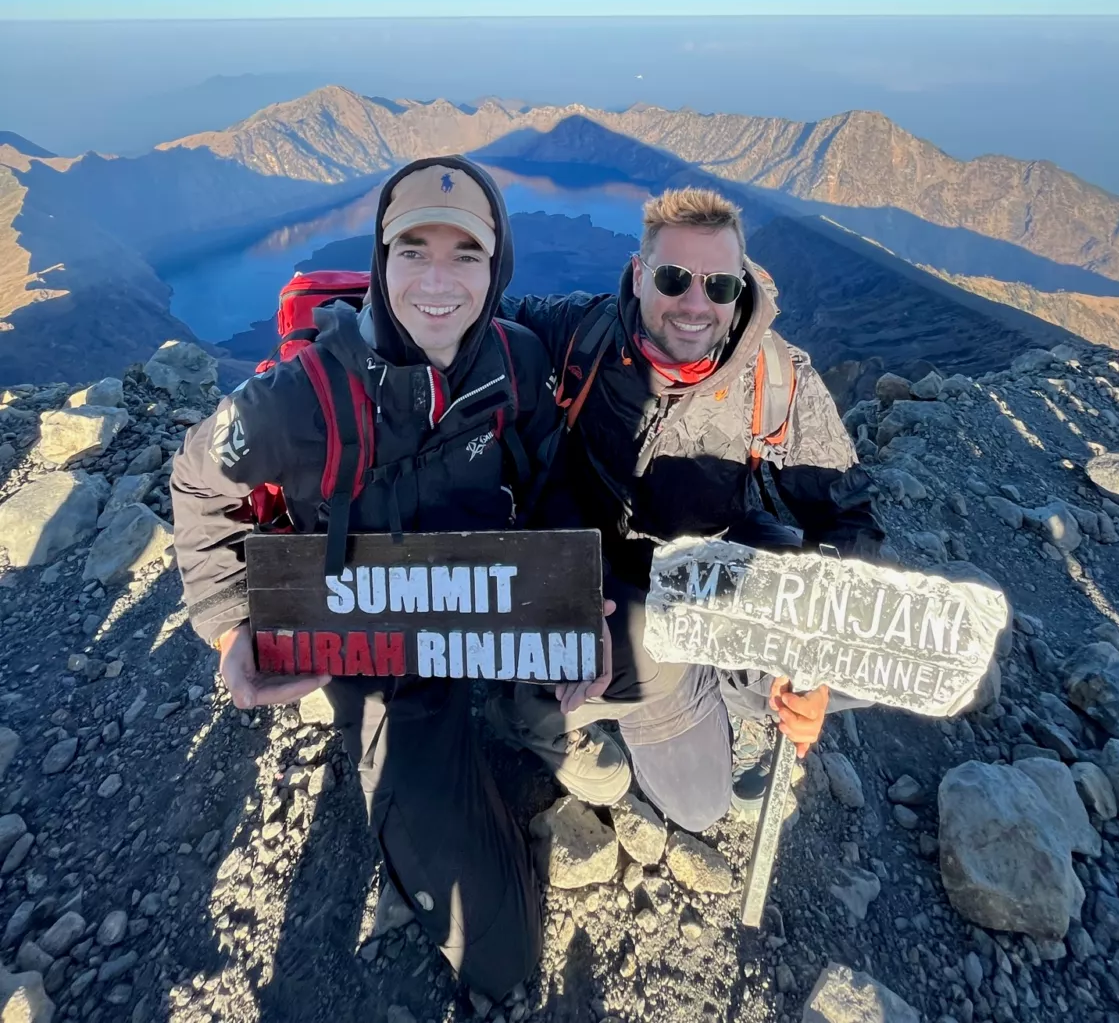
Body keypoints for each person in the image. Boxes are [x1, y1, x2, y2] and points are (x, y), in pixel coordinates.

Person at [169, 156, 623, 1001]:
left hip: (494, 606)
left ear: (499, 267)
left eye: (467, 253)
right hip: (380, 656)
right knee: (505, 959)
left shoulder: (516, 364)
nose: (439, 280)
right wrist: (234, 624)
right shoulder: (299, 398)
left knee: (626, 648)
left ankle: (524, 716)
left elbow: (553, 474)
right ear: (381, 260)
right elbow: (198, 478)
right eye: (413, 249)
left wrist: (572, 597)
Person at [494, 186, 883, 830]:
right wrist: (374, 318)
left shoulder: (774, 378)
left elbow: (847, 517)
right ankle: (556, 721)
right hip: (592, 593)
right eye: (674, 279)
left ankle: (734, 683)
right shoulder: (580, 333)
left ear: (742, 284)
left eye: (719, 285)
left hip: (703, 578)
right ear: (641, 275)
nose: (696, 304)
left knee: (881, 648)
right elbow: (473, 319)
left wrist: (818, 661)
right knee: (690, 800)